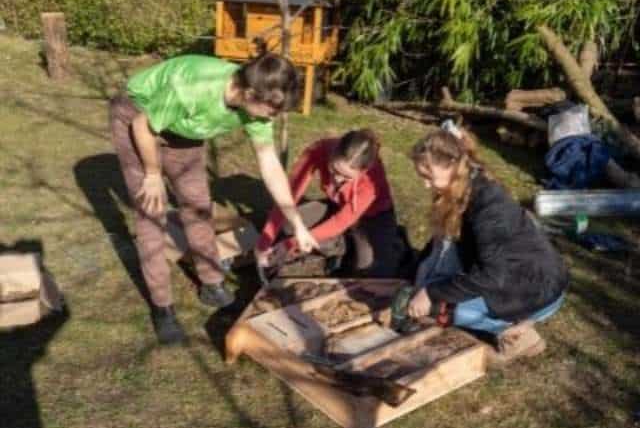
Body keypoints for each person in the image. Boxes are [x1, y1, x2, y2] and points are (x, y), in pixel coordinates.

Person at [110, 52, 318, 345]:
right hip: (138, 117)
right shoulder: (194, 87)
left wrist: (296, 222)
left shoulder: (256, 103)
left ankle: (211, 283)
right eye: (270, 112)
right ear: (247, 92)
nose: (272, 118)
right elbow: (142, 126)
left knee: (198, 207)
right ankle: (162, 307)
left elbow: (270, 163)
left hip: (184, 128)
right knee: (151, 215)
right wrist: (153, 173)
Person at [407, 123, 569, 366]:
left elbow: (491, 276)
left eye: (429, 177)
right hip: (511, 271)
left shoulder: (489, 209)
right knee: (439, 296)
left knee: (453, 311)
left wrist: (431, 292)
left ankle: (521, 335)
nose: (425, 185)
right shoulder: (464, 184)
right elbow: (444, 242)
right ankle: (505, 318)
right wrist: (421, 280)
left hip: (539, 286)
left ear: (452, 166)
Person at [255, 129, 405, 278]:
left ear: (364, 171)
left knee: (371, 274)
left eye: (347, 177)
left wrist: (290, 244)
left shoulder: (372, 180)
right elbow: (287, 197)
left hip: (374, 218)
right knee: (286, 226)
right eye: (334, 170)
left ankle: (388, 244)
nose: (337, 179)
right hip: (338, 206)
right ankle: (341, 243)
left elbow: (341, 222)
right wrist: (264, 242)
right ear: (333, 153)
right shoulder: (319, 150)